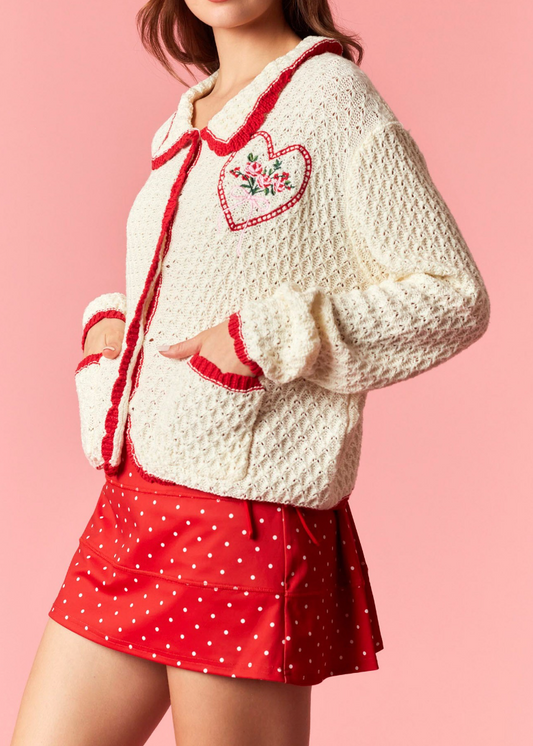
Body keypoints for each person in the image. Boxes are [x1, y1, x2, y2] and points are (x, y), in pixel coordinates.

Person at [10, 0, 491, 744]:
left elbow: (454, 297)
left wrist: (268, 338)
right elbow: (198, 286)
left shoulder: (331, 100)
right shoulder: (186, 118)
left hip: (244, 522)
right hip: (132, 507)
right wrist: (115, 333)